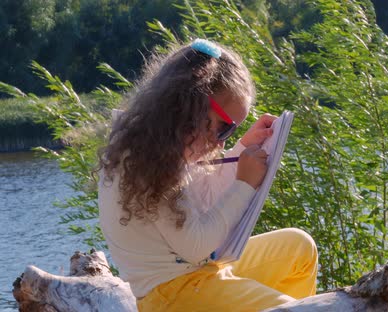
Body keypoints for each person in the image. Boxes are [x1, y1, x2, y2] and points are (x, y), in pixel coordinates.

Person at [97, 38, 318, 311]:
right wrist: (244, 184)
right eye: (223, 128)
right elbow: (197, 245)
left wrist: (243, 148)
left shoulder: (162, 144)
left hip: (200, 274)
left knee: (298, 249)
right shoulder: (146, 163)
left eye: (232, 131)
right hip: (172, 295)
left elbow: (205, 199)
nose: (222, 142)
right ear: (191, 106)